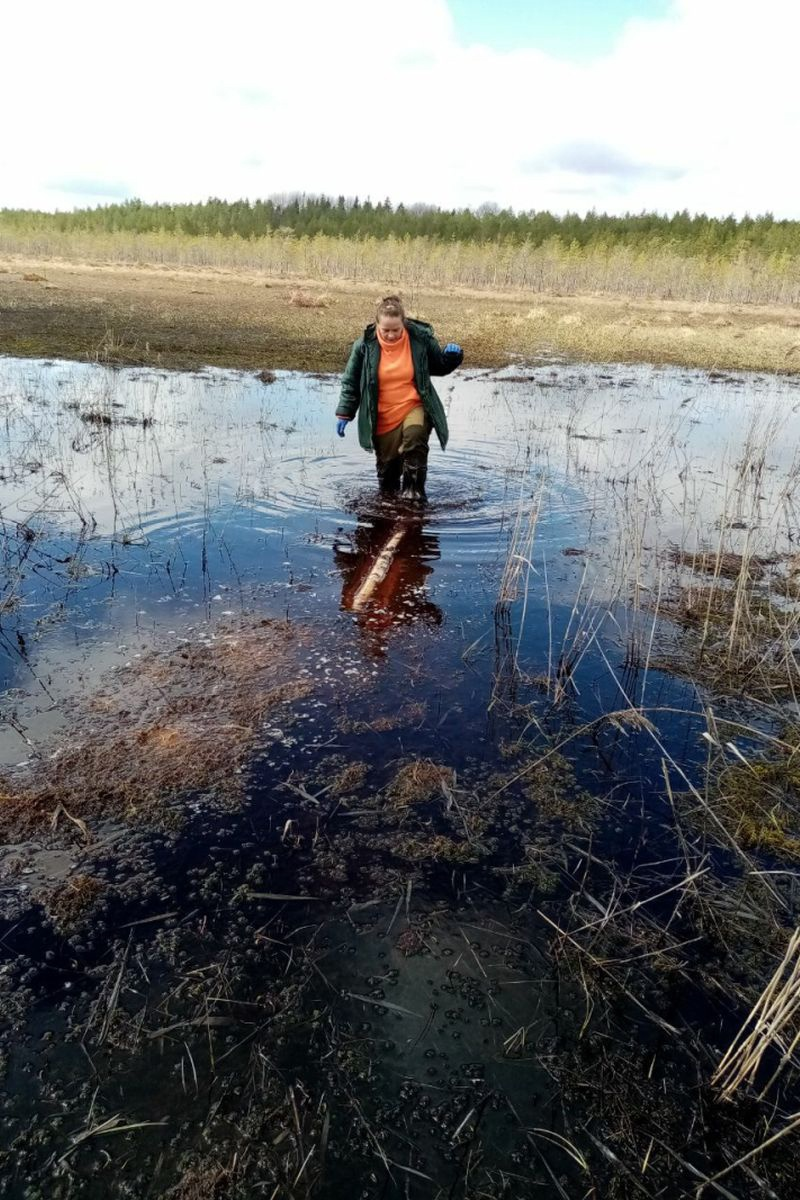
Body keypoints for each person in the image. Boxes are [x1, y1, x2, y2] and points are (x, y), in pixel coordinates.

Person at [335, 296, 463, 501]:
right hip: (382, 417)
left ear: (403, 323)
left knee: (415, 439)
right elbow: (351, 381)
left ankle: (414, 495)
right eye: (386, 330)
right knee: (388, 477)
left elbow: (438, 366)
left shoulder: (419, 340)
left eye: (396, 329)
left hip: (414, 406)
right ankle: (388, 505)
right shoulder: (364, 347)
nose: (391, 335)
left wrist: (451, 357)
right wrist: (345, 412)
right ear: (377, 324)